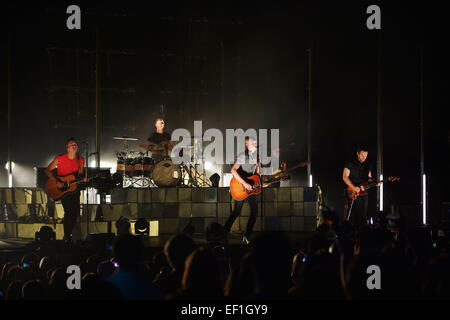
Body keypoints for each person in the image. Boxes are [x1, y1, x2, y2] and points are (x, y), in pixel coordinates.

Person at [224, 136, 267, 244]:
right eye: (252, 142)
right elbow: (233, 170)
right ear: (247, 144)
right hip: (240, 187)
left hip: (251, 188)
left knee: (254, 211)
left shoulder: (258, 158)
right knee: (237, 212)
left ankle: (247, 235)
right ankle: (223, 233)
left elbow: (257, 174)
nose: (255, 143)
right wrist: (245, 183)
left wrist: (262, 182)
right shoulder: (242, 156)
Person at [45, 137, 85, 243]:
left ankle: (67, 235)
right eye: (72, 144)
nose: (74, 145)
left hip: (74, 190)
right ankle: (67, 236)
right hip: (63, 190)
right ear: (67, 148)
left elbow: (79, 176)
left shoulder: (80, 160)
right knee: (69, 212)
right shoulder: (60, 158)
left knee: (75, 213)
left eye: (75, 144)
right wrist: (57, 181)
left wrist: (83, 179)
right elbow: (47, 170)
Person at [342, 145, 381, 231]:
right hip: (352, 192)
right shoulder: (350, 163)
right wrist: (354, 187)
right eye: (362, 155)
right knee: (355, 214)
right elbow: (345, 177)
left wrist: (375, 182)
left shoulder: (368, 165)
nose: (364, 157)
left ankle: (361, 233)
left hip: (364, 192)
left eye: (366, 156)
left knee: (363, 213)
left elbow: (369, 178)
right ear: (357, 154)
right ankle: (352, 232)